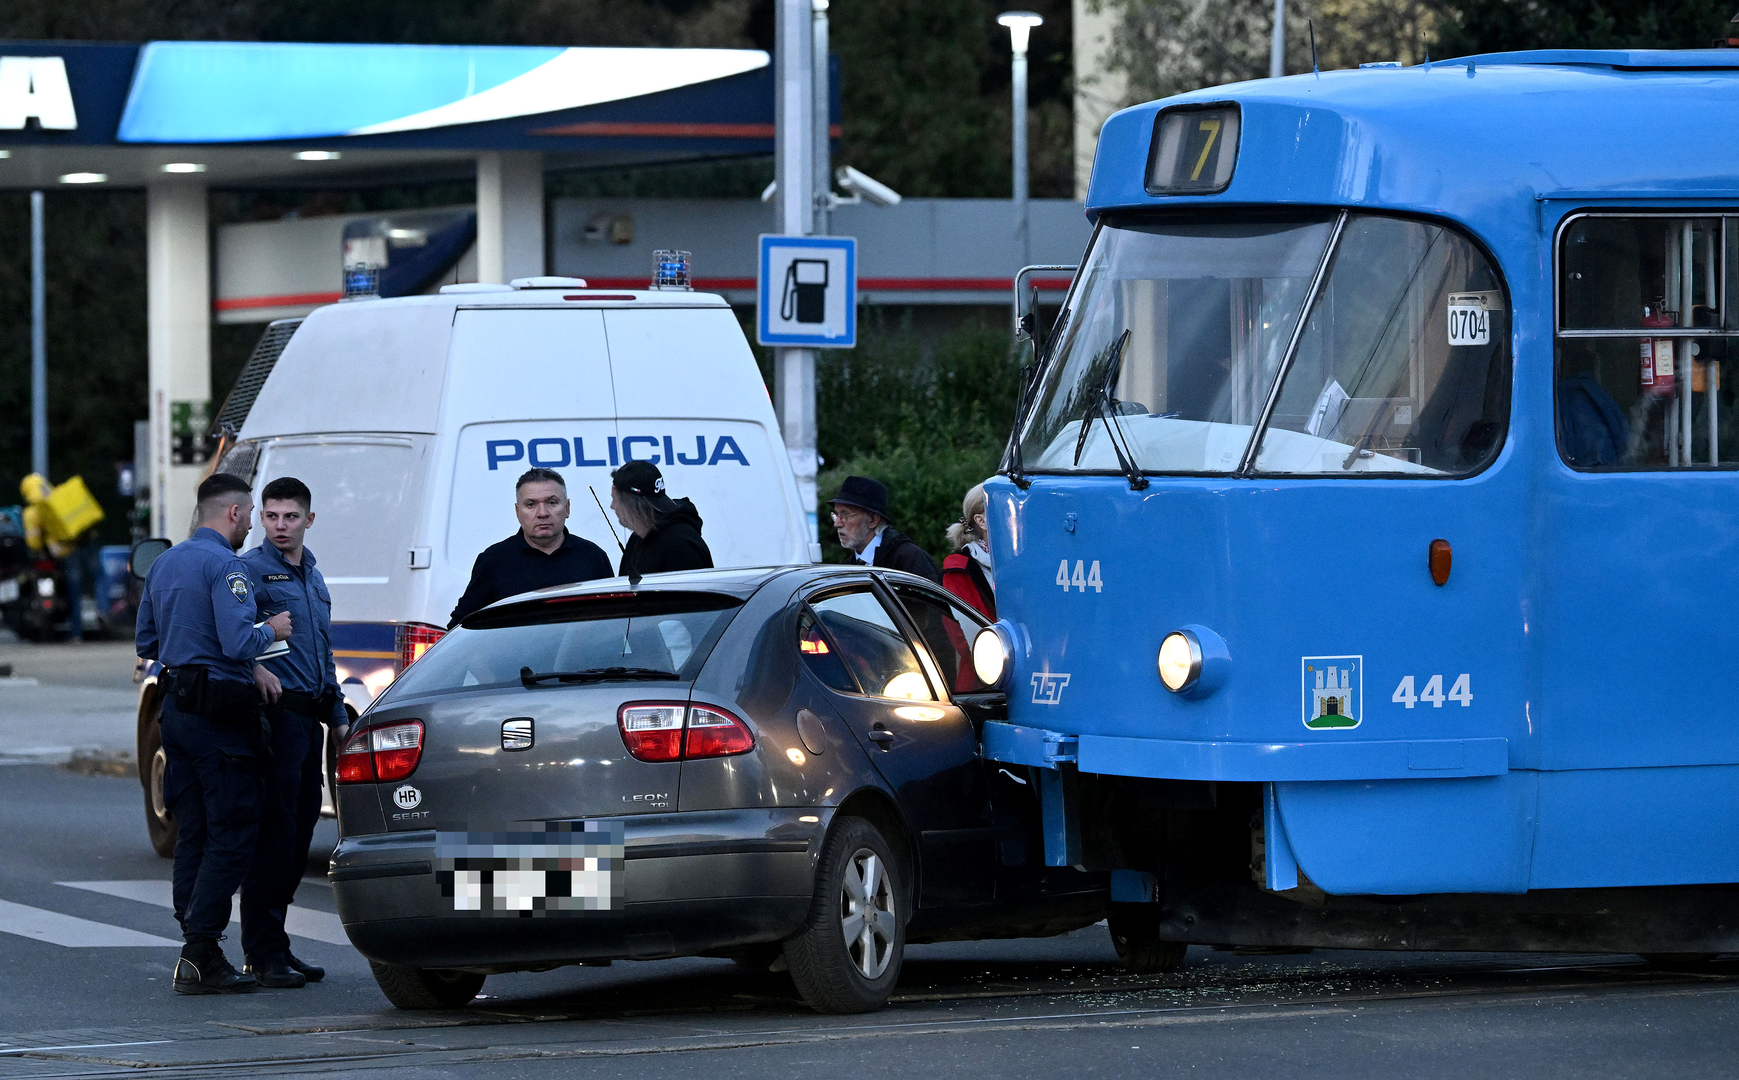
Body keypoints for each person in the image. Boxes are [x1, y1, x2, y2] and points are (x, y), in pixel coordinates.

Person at [135, 473, 292, 995]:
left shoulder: (163, 563)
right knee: (231, 832)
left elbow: (147, 640)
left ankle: (196, 940)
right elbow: (237, 640)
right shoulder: (227, 566)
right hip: (220, 716)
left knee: (195, 831)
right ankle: (200, 950)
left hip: (176, 710)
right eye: (250, 514)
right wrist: (273, 630)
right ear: (232, 513)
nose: (252, 524)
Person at [239, 477, 344, 990]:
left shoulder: (314, 574)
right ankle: (261, 952)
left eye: (291, 517)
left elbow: (322, 648)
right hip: (276, 716)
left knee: (300, 832)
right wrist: (253, 667)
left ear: (309, 519)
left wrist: (339, 709)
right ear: (261, 518)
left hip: (312, 716)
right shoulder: (249, 572)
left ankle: (276, 943)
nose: (281, 526)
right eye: (272, 516)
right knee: (274, 835)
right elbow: (230, 635)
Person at [449, 467, 612, 626]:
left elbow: (614, 619)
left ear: (567, 508)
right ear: (517, 511)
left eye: (552, 502)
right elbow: (461, 625)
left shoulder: (592, 556)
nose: (542, 513)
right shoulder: (494, 560)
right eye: (531, 504)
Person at [828, 475, 941, 584]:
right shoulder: (849, 567)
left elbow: (930, 602)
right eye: (836, 515)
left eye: (845, 514)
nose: (837, 524)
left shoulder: (909, 560)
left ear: (873, 520)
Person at [610, 460, 713, 578]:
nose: (612, 506)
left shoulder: (680, 545)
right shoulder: (637, 539)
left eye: (615, 499)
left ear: (631, 504)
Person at [941, 482, 995, 621]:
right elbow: (962, 634)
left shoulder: (1027, 558)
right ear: (981, 521)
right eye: (1005, 508)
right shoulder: (959, 570)